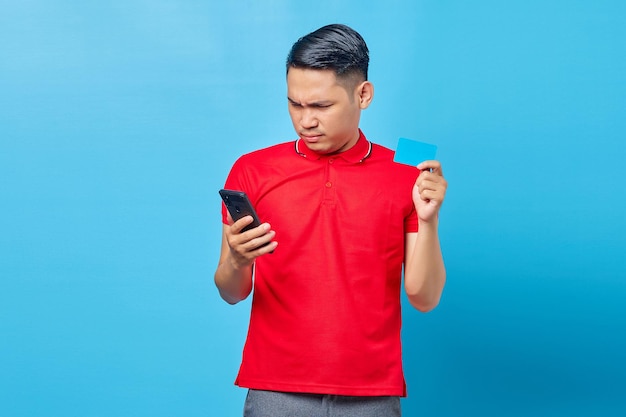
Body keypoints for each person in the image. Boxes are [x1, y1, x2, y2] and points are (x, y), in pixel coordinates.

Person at [214, 23, 447, 417]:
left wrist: (429, 221)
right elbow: (232, 291)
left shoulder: (408, 170)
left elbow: (424, 298)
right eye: (295, 104)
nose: (305, 121)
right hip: (275, 386)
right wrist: (237, 260)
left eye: (321, 106)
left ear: (363, 95)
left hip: (372, 390)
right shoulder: (252, 170)